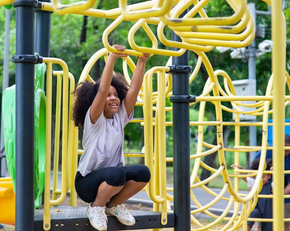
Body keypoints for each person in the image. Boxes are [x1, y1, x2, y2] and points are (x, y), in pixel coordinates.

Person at [72, 45, 151, 231]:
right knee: (118, 173)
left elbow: (134, 89)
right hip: (87, 183)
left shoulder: (119, 117)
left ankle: (113, 206)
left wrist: (142, 61)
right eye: (108, 96)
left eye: (116, 95)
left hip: (112, 180)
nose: (113, 98)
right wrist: (112, 58)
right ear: (98, 100)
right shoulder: (94, 120)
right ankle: (95, 208)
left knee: (143, 173)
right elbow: (100, 91)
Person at [254, 134, 290, 231]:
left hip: (284, 196)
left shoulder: (288, 158)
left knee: (286, 219)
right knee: (262, 220)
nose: (286, 152)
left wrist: (279, 194)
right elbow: (252, 173)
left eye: (288, 149)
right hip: (265, 194)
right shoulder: (265, 153)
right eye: (284, 148)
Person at [232, 158, 273, 231]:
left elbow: (277, 183)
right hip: (257, 207)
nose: (261, 179)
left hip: (268, 210)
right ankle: (246, 229)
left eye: (263, 177)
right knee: (252, 214)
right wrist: (241, 170)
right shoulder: (256, 183)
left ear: (269, 176)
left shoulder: (271, 185)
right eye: (259, 177)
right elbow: (245, 178)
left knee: (268, 226)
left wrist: (274, 173)